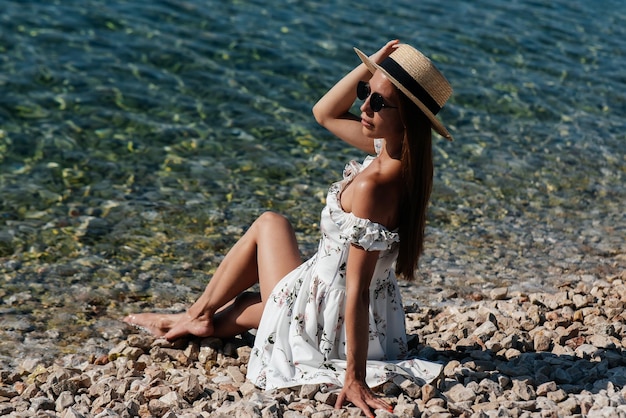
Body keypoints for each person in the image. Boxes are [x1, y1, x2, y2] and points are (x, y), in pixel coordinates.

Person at [123, 39, 454, 417]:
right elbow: (324, 113)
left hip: (327, 316)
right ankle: (195, 318)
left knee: (268, 230)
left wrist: (354, 379)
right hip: (359, 308)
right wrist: (373, 66)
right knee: (254, 291)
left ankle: (195, 318)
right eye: (365, 93)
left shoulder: (374, 185)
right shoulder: (399, 157)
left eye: (377, 102)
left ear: (406, 117)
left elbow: (357, 290)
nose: (364, 106)